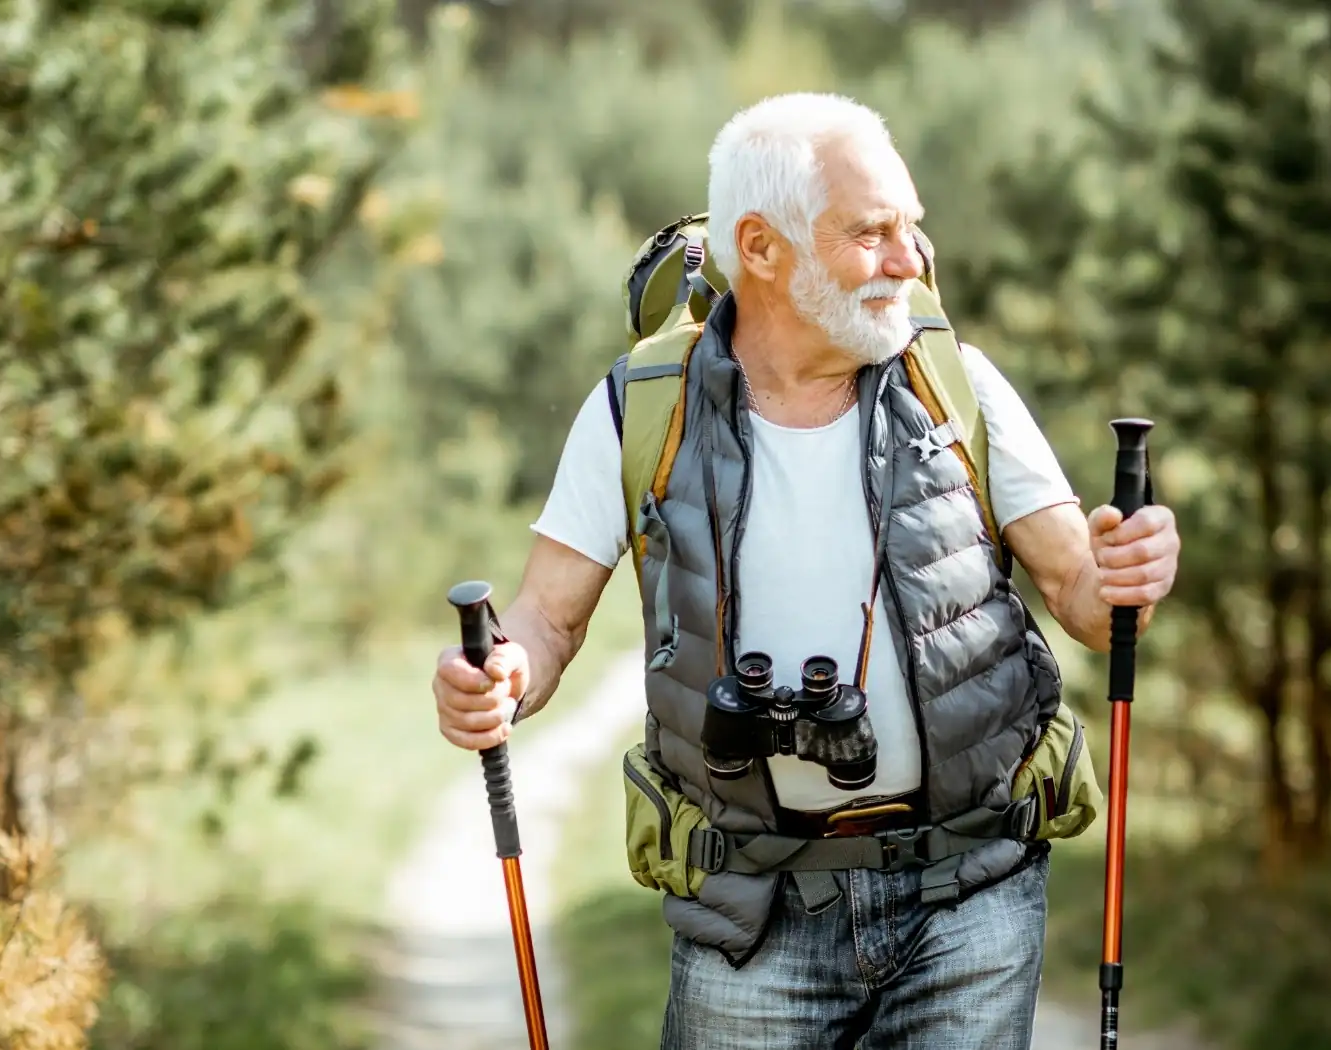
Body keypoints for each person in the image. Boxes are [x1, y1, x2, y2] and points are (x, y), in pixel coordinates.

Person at [428, 92, 1181, 1049]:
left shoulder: (956, 382)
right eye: (870, 233)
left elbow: (1083, 594)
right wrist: (501, 678)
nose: (908, 260)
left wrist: (1127, 573)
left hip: (970, 900)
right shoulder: (640, 410)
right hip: (750, 910)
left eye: (909, 227)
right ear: (764, 247)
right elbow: (546, 619)